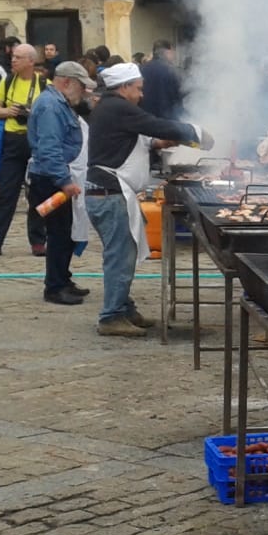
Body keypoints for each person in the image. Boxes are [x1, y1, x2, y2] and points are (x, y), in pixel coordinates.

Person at [85, 62, 206, 337]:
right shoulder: (117, 107)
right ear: (124, 87)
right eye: (138, 89)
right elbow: (155, 125)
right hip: (110, 193)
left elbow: (130, 139)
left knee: (121, 255)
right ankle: (111, 316)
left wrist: (157, 144)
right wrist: (194, 133)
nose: (141, 95)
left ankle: (124, 308)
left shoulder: (110, 108)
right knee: (119, 257)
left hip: (108, 193)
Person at [0, 43, 47, 258]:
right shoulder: (8, 81)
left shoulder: (44, 84)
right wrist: (7, 111)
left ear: (31, 61)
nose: (13, 60)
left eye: (19, 57)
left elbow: (51, 112)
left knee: (38, 194)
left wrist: (32, 113)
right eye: (13, 57)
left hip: (36, 143)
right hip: (11, 141)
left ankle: (39, 241)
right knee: (5, 195)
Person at [27, 61, 94, 306]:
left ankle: (63, 279)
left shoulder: (58, 103)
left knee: (66, 232)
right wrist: (64, 181)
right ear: (67, 82)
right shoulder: (51, 106)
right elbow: (49, 148)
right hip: (50, 179)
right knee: (58, 233)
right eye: (81, 86)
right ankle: (54, 287)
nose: (84, 92)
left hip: (55, 177)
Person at [140, 41, 184, 121]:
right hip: (167, 121)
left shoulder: (142, 69)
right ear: (167, 52)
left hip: (146, 120)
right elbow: (178, 98)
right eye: (172, 52)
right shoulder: (171, 71)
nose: (174, 55)